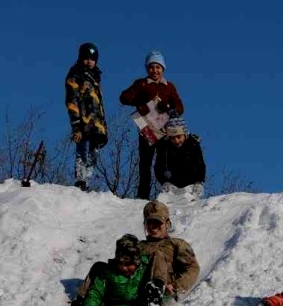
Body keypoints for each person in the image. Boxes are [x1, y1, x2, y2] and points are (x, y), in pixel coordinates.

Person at [60, 237, 155, 306]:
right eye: (120, 263)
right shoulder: (108, 271)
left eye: (128, 264)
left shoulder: (146, 269)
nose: (124, 268)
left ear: (137, 261)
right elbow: (96, 292)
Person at [119, 50, 186, 200]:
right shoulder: (141, 84)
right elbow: (123, 97)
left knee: (164, 163)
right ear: (147, 69)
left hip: (164, 130)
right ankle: (143, 196)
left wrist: (168, 107)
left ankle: (166, 194)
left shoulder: (169, 86)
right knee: (145, 164)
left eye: (158, 67)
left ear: (163, 68)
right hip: (147, 130)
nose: (154, 70)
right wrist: (139, 104)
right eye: (151, 67)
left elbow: (180, 107)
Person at [137, 201, 200, 306]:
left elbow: (193, 269)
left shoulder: (176, 245)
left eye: (158, 222)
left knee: (157, 255)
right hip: (136, 293)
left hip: (164, 295)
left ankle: (154, 299)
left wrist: (176, 287)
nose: (153, 226)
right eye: (149, 222)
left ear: (167, 224)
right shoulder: (138, 246)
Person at [65, 42, 109, 192]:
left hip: (96, 124)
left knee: (93, 155)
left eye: (92, 58)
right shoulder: (76, 75)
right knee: (82, 152)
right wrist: (76, 125)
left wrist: (104, 128)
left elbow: (99, 105)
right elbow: (71, 101)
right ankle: (80, 180)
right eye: (86, 58)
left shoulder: (95, 77)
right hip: (83, 123)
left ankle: (87, 181)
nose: (89, 61)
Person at [153, 116, 206, 200]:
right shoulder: (165, 147)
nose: (176, 141)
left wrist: (199, 182)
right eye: (173, 138)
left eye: (179, 137)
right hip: (172, 186)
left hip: (190, 185)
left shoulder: (193, 144)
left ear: (185, 134)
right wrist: (164, 182)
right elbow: (159, 166)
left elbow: (200, 165)